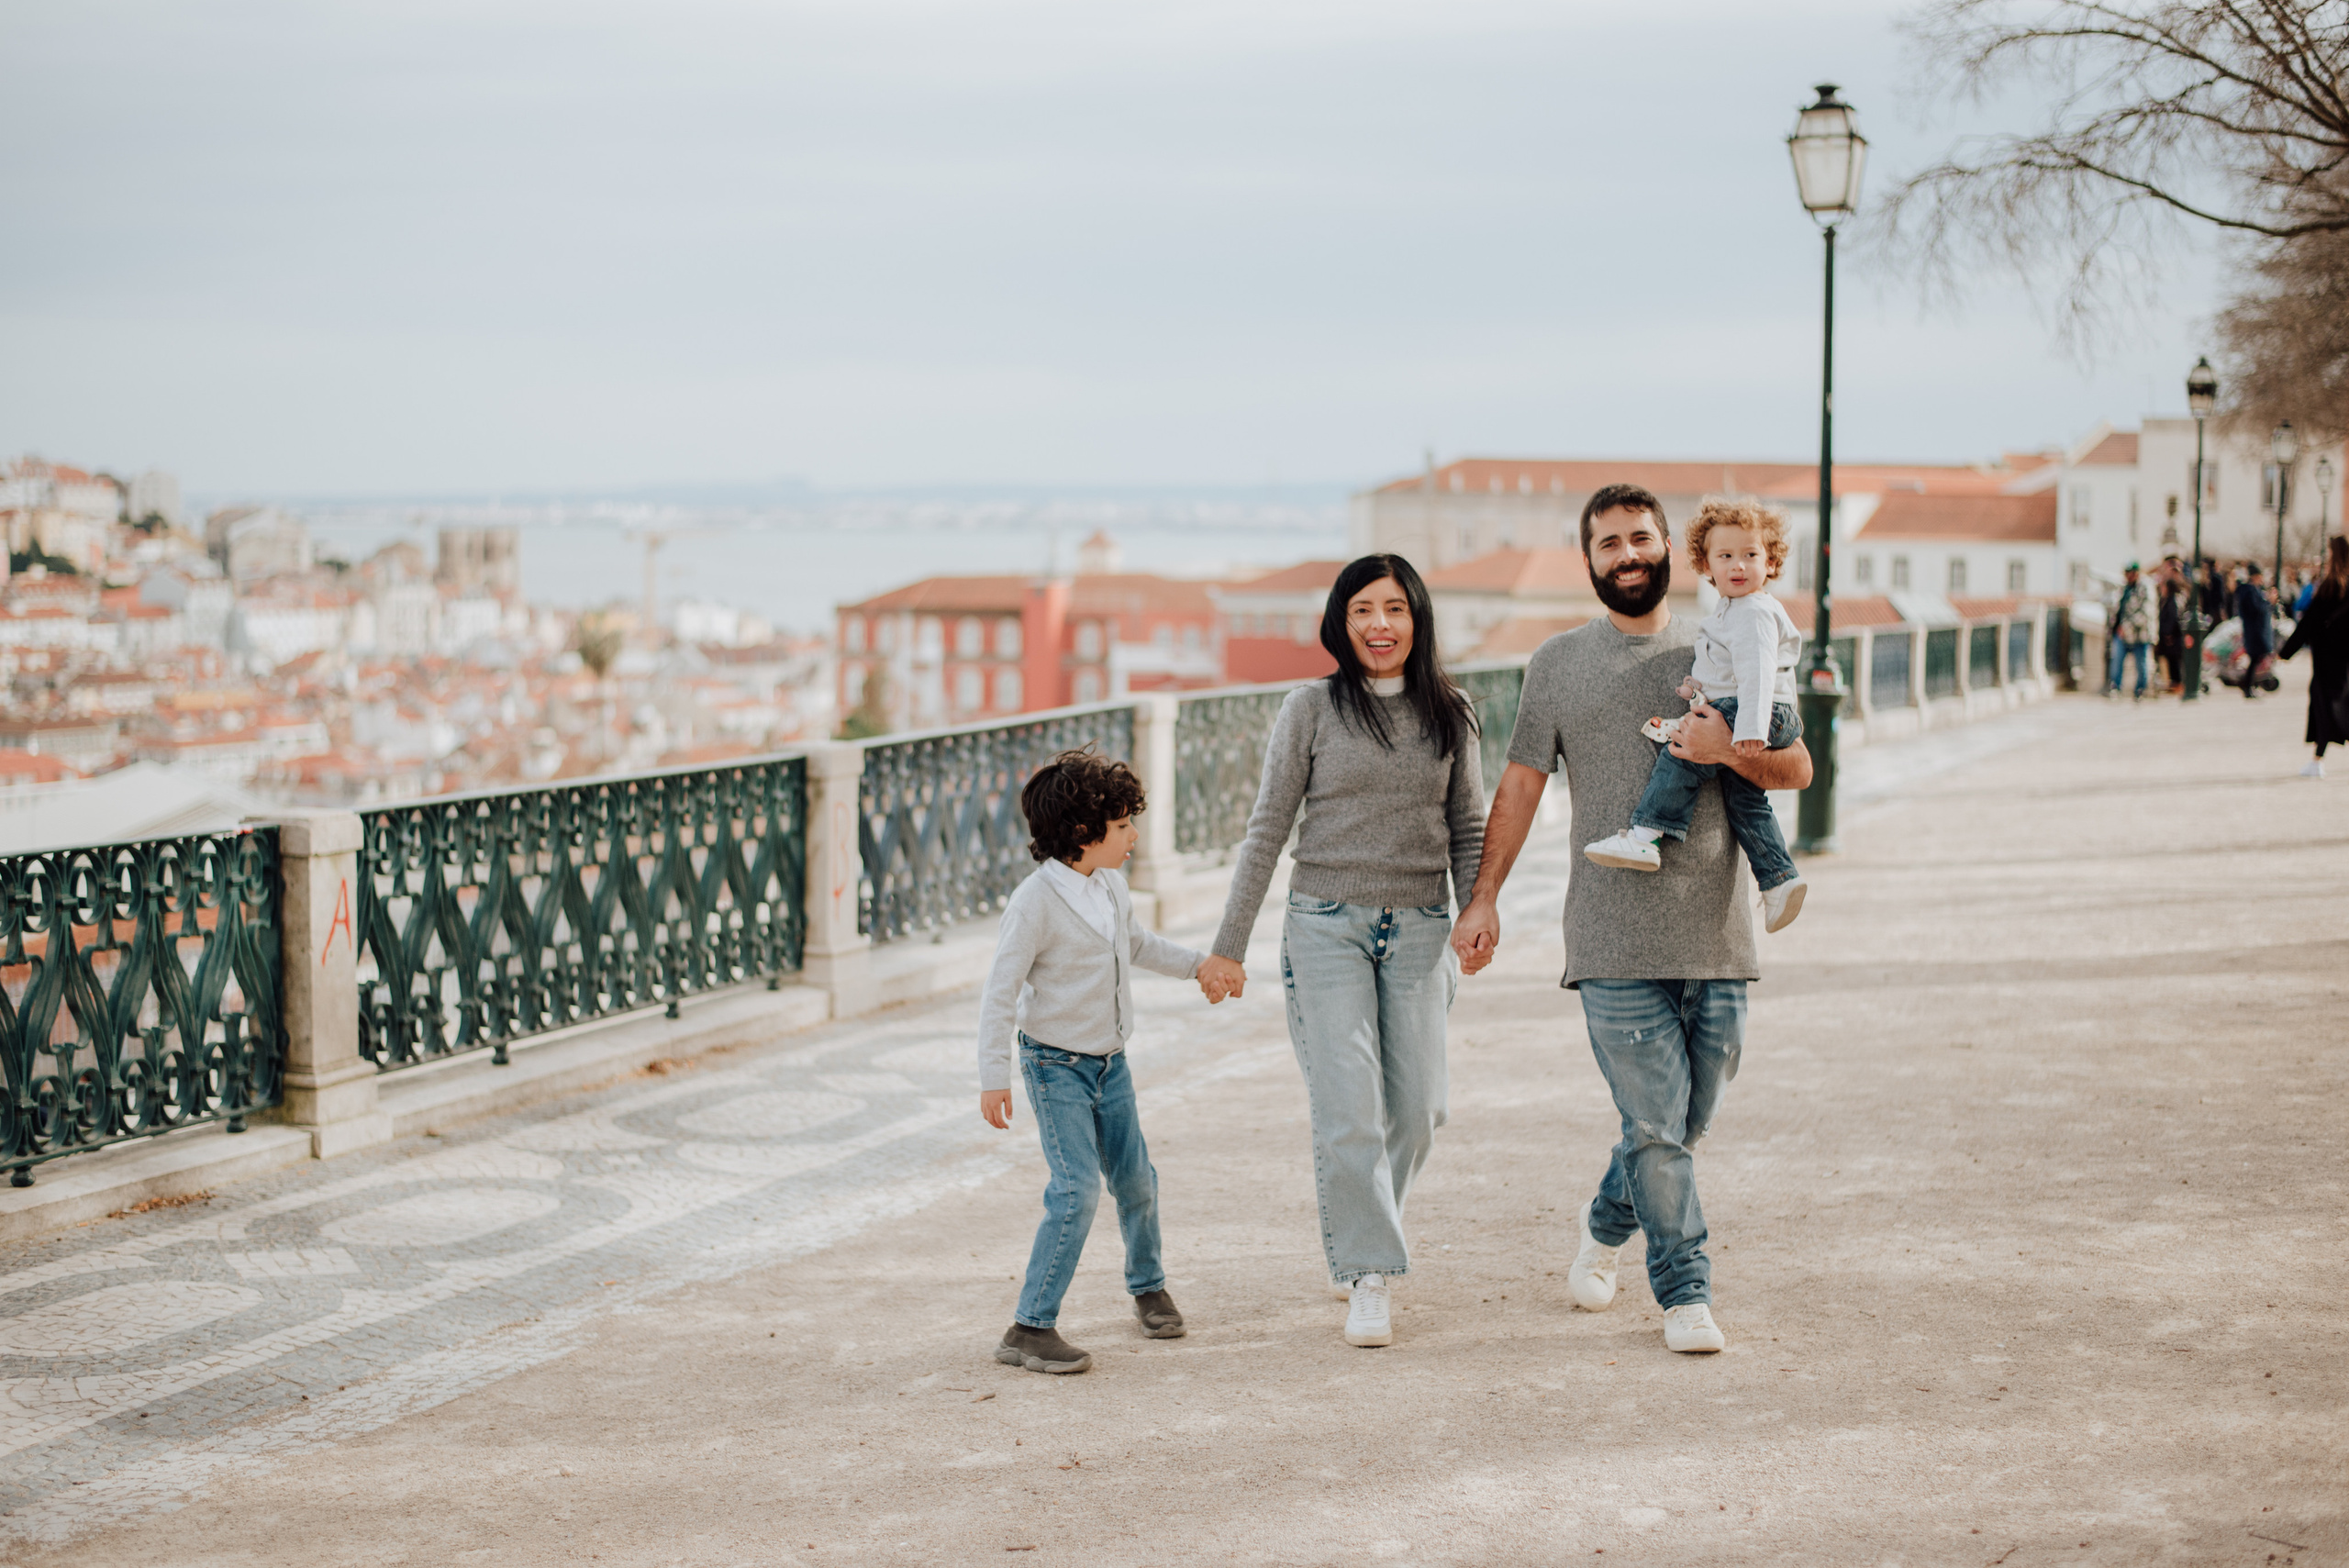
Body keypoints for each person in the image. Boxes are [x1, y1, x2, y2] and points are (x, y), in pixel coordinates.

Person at [1452, 483, 1813, 1357]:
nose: (1626, 554)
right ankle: (1685, 1291)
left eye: (1640, 538)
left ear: (1670, 550)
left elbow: (1796, 767)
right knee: (1657, 1123)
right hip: (1609, 931)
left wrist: (1728, 747)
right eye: (1608, 543)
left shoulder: (1729, 634)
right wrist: (1485, 893)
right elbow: (1522, 785)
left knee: (1683, 1121)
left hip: (1718, 930)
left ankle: (1607, 1223)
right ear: (1589, 561)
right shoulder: (1557, 664)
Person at [1198, 553, 1483, 1351]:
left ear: (1417, 618)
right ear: (1340, 620)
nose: (1379, 625)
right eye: (1363, 610)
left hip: (1422, 926)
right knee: (1349, 1111)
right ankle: (1368, 1272)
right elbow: (1266, 830)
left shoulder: (1452, 713)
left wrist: (1475, 911)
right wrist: (1229, 946)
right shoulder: (1311, 708)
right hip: (1325, 925)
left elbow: (1466, 829)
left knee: (1422, 1109)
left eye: (1394, 608)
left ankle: (1361, 1226)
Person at [976, 748, 1230, 1374]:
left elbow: (1138, 945)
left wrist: (1199, 963)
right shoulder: (1033, 903)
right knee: (1076, 1189)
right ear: (1083, 833)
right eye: (1123, 827)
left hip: (1111, 1065)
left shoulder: (1111, 886)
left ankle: (1149, 1287)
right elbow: (1000, 991)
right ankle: (1029, 1326)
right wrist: (992, 1076)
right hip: (1053, 1066)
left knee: (1137, 1179)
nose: (1135, 836)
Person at [1582, 498, 1808, 933]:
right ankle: (1778, 879)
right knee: (1745, 799)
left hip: (1762, 713)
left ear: (1772, 560)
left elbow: (1758, 674)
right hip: (1750, 709)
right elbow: (1728, 667)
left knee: (1682, 749)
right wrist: (1698, 689)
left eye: (1751, 555)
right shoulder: (1731, 610)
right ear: (1706, 563)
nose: (1738, 565)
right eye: (1726, 556)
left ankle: (1646, 836)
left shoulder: (1753, 612)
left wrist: (1747, 732)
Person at [2279, 536, 2349, 779]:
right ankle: (2317, 760)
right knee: (2340, 706)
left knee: (2324, 709)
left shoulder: (2331, 587)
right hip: (2343, 659)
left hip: (2328, 660)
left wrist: (2285, 653)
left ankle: (2317, 761)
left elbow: (2308, 624)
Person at [2107, 562, 2156, 699]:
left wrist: (2127, 626)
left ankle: (2140, 690)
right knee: (2117, 661)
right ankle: (2115, 687)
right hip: (2122, 634)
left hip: (2140, 634)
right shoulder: (2124, 588)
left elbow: (2146, 612)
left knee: (2141, 663)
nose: (2127, 576)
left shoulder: (2145, 587)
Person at [2235, 562, 2277, 699]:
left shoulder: (2253, 590)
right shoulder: (2249, 591)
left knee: (2256, 659)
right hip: (2255, 631)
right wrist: (2269, 602)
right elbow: (2256, 610)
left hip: (2256, 630)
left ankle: (2250, 685)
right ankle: (2248, 686)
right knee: (2254, 659)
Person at [2157, 561, 2187, 694]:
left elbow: (2173, 618)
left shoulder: (2173, 600)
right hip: (2171, 636)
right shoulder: (2168, 599)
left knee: (2174, 661)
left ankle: (2177, 684)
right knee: (2171, 661)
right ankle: (2174, 683)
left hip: (2173, 637)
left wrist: (2168, 633)